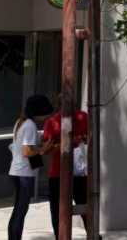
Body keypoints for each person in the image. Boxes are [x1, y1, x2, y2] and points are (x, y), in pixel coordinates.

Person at [41, 95, 91, 238]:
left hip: (79, 171)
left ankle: (92, 234)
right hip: (58, 173)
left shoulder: (83, 117)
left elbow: (90, 138)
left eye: (72, 104)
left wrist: (83, 139)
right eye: (66, 104)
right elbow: (46, 149)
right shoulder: (52, 122)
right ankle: (61, 237)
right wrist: (67, 143)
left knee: (85, 207)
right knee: (58, 211)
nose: (70, 107)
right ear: (59, 106)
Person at [8, 95, 53, 240]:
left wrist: (40, 147)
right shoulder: (30, 125)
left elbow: (27, 148)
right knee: (21, 210)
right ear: (39, 111)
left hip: (17, 171)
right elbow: (27, 151)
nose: (47, 117)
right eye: (46, 113)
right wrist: (43, 149)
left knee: (18, 210)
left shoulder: (20, 122)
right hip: (24, 174)